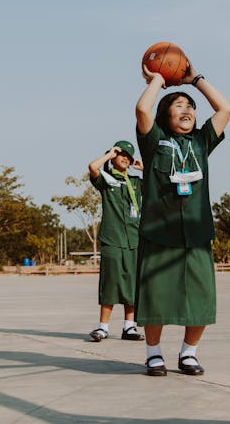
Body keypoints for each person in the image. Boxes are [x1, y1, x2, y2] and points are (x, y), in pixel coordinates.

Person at [135, 59, 230, 376]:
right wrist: (158, 81)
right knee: (155, 297)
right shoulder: (154, 142)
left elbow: (225, 109)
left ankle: (189, 353)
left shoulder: (201, 142)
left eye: (190, 106)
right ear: (166, 114)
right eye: (179, 105)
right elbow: (142, 111)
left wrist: (195, 80)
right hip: (159, 233)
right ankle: (153, 354)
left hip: (197, 234)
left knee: (201, 297)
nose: (187, 109)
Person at [87, 141, 145, 343]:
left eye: (128, 156)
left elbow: (160, 182)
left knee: (132, 283)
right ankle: (103, 327)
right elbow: (93, 167)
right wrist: (109, 154)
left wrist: (143, 167)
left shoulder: (137, 183)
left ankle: (129, 326)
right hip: (112, 238)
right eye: (120, 154)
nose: (124, 158)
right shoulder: (107, 180)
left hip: (134, 239)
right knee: (110, 282)